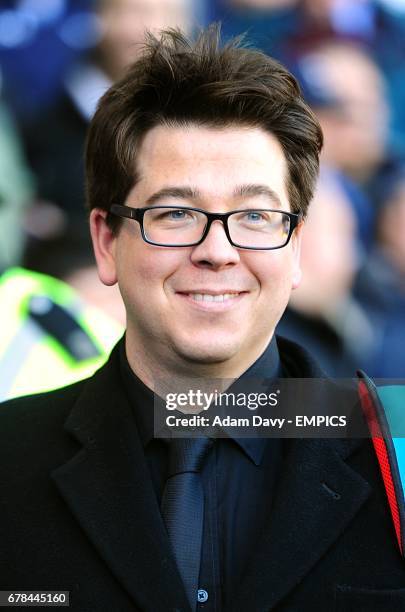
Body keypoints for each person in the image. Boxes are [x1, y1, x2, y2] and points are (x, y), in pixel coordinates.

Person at [1, 25, 405, 612]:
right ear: (106, 243)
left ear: (296, 250)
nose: (218, 250)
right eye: (175, 213)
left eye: (256, 216)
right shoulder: (9, 460)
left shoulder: (396, 447)